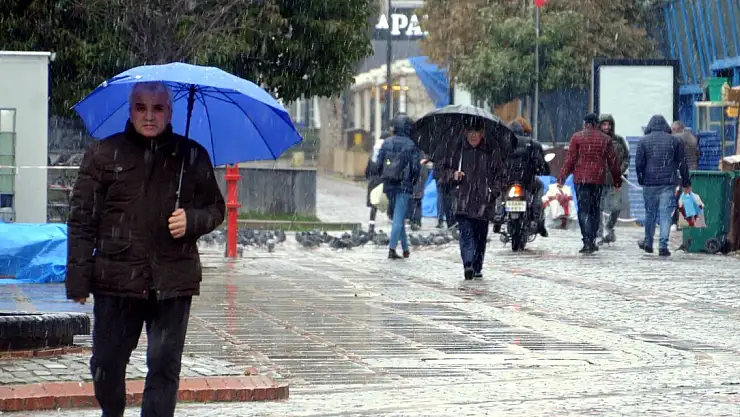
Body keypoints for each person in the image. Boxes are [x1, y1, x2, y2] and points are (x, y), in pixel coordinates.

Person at [65, 81, 225, 417]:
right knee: (106, 363)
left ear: (170, 112)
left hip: (172, 279)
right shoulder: (102, 154)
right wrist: (78, 279)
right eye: (141, 107)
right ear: (130, 110)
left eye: (158, 108)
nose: (149, 116)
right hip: (116, 278)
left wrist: (192, 220)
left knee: (164, 365)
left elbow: (215, 208)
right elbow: (82, 220)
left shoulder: (191, 155)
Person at [438, 119, 507, 280]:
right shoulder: (458, 150)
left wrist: (492, 192)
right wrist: (453, 175)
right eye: (471, 132)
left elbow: (501, 177)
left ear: (482, 133)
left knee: (480, 237)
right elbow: (443, 173)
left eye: (477, 132)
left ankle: (477, 267)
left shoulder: (491, 151)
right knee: (466, 234)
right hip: (463, 201)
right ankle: (468, 264)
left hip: (484, 203)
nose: (473, 136)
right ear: (465, 133)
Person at [558, 113, 621, 254]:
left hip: (581, 179)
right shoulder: (605, 139)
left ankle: (587, 241)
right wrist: (617, 180)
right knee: (594, 210)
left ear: (585, 123)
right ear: (597, 124)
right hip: (598, 180)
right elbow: (613, 162)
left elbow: (570, 160)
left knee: (584, 210)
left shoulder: (577, 137)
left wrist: (562, 178)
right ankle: (592, 239)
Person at [636, 115, 691, 257]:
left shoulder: (643, 141)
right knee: (666, 215)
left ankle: (648, 242)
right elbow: (682, 163)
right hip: (668, 183)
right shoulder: (675, 141)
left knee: (650, 213)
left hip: (649, 182)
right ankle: (663, 246)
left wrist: (641, 179)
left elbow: (639, 164)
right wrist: (686, 182)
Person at [376, 113, 421, 259]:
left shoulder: (386, 142)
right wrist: (413, 181)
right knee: (398, 218)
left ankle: (405, 248)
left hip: (389, 183)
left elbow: (378, 163)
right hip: (404, 185)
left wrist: (382, 176)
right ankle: (392, 249)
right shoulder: (411, 145)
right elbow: (415, 168)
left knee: (398, 216)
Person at [506, 119, 550, 237]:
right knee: (540, 186)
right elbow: (540, 163)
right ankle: (536, 216)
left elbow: (495, 162)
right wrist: (543, 170)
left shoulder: (502, 143)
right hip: (526, 180)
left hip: (507, 180)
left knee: (499, 191)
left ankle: (499, 214)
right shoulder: (532, 144)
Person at [597, 114, 630, 245]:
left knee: (616, 207)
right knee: (598, 208)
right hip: (598, 181)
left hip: (614, 181)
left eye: (609, 124)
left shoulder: (618, 140)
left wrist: (620, 170)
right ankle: (599, 233)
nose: (607, 127)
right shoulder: (596, 140)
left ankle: (609, 226)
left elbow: (626, 158)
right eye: (604, 124)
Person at [365, 131, 391, 234]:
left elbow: (367, 170)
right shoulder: (387, 152)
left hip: (373, 181)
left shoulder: (373, 153)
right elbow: (388, 166)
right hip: (383, 180)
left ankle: (371, 224)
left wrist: (369, 177)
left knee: (374, 204)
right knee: (389, 200)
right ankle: (392, 220)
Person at [408, 151, 430, 231]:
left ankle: (414, 221)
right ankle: (417, 221)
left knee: (413, 202)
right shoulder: (423, 154)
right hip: (420, 181)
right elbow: (426, 171)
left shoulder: (412, 153)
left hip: (414, 181)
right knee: (418, 202)